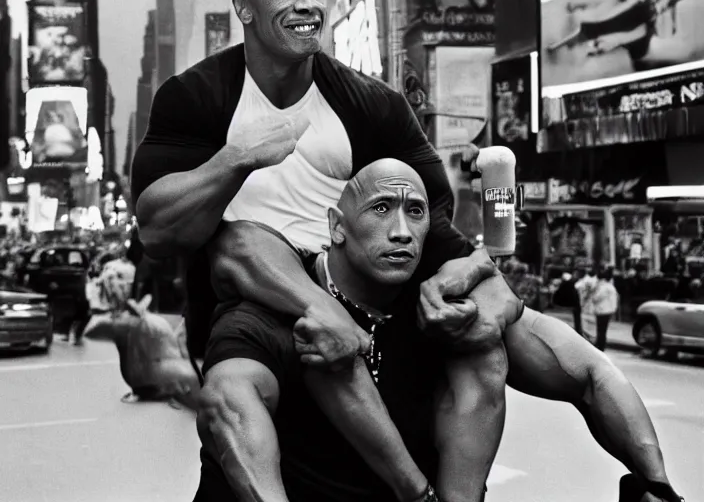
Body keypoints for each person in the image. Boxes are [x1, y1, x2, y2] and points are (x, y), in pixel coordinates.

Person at [131, 0, 681, 502]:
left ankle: (656, 490)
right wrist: (236, 158)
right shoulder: (196, 98)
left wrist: (470, 277)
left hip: (365, 275)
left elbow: (428, 211)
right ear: (243, 8)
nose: (306, 3)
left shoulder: (371, 103)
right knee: (243, 248)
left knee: (514, 340)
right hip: (266, 290)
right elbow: (156, 231)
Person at [197, 159, 682, 502]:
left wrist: (656, 487)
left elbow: (591, 374)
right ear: (337, 226)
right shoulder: (278, 304)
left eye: (415, 212)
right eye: (381, 209)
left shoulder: (444, 309)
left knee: (482, 345)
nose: (403, 231)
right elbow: (227, 403)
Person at [547, 0, 691, 71]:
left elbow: (660, 28)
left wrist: (669, 6)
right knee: (597, 29)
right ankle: (569, 44)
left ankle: (578, 44)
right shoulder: (649, 0)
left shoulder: (658, 10)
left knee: (600, 32)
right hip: (628, 24)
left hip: (636, 37)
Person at [592, 268, 620, 352]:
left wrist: (594, 292)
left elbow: (596, 298)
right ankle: (600, 345)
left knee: (600, 330)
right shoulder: (611, 287)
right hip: (608, 310)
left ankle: (600, 346)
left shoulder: (603, 287)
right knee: (603, 330)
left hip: (602, 311)